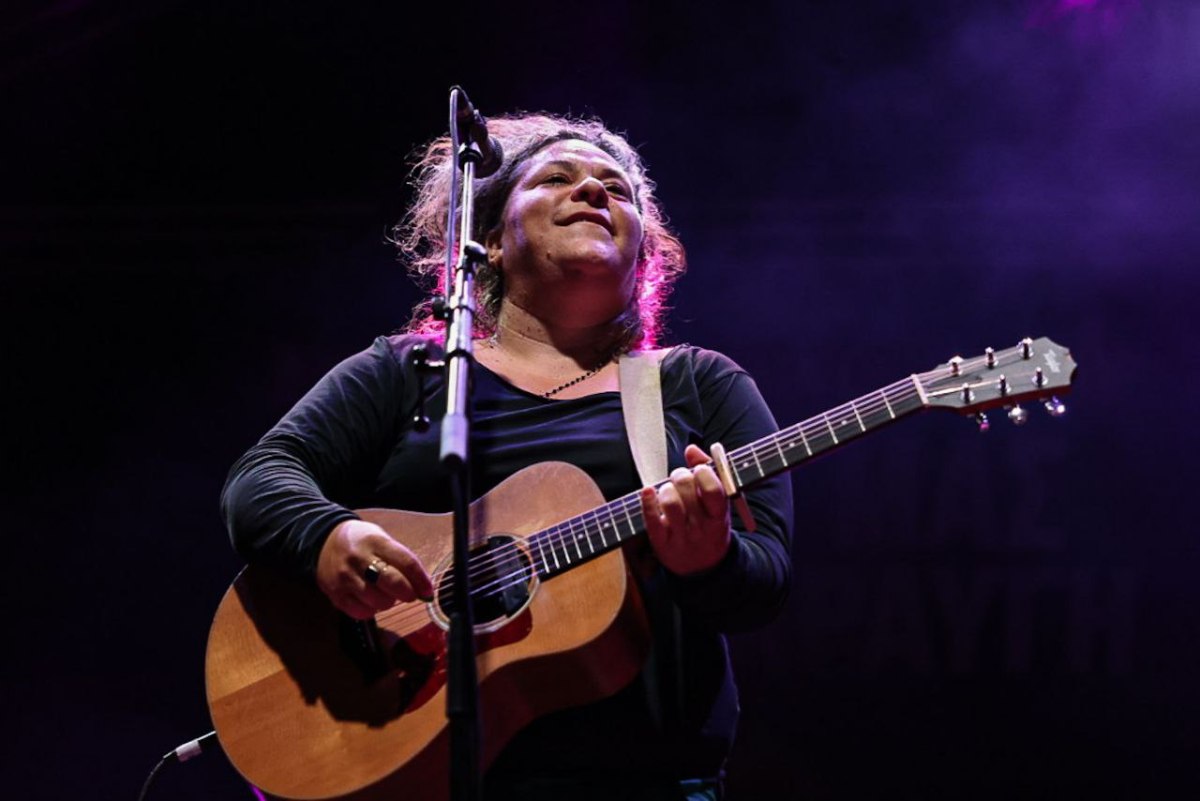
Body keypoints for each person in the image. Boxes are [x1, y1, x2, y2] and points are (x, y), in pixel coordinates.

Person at [221, 112, 794, 800]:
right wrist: (327, 537)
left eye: (617, 189)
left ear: (642, 252)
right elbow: (258, 480)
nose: (593, 191)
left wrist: (710, 560)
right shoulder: (410, 372)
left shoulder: (697, 385)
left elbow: (766, 580)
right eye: (557, 178)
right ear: (489, 240)